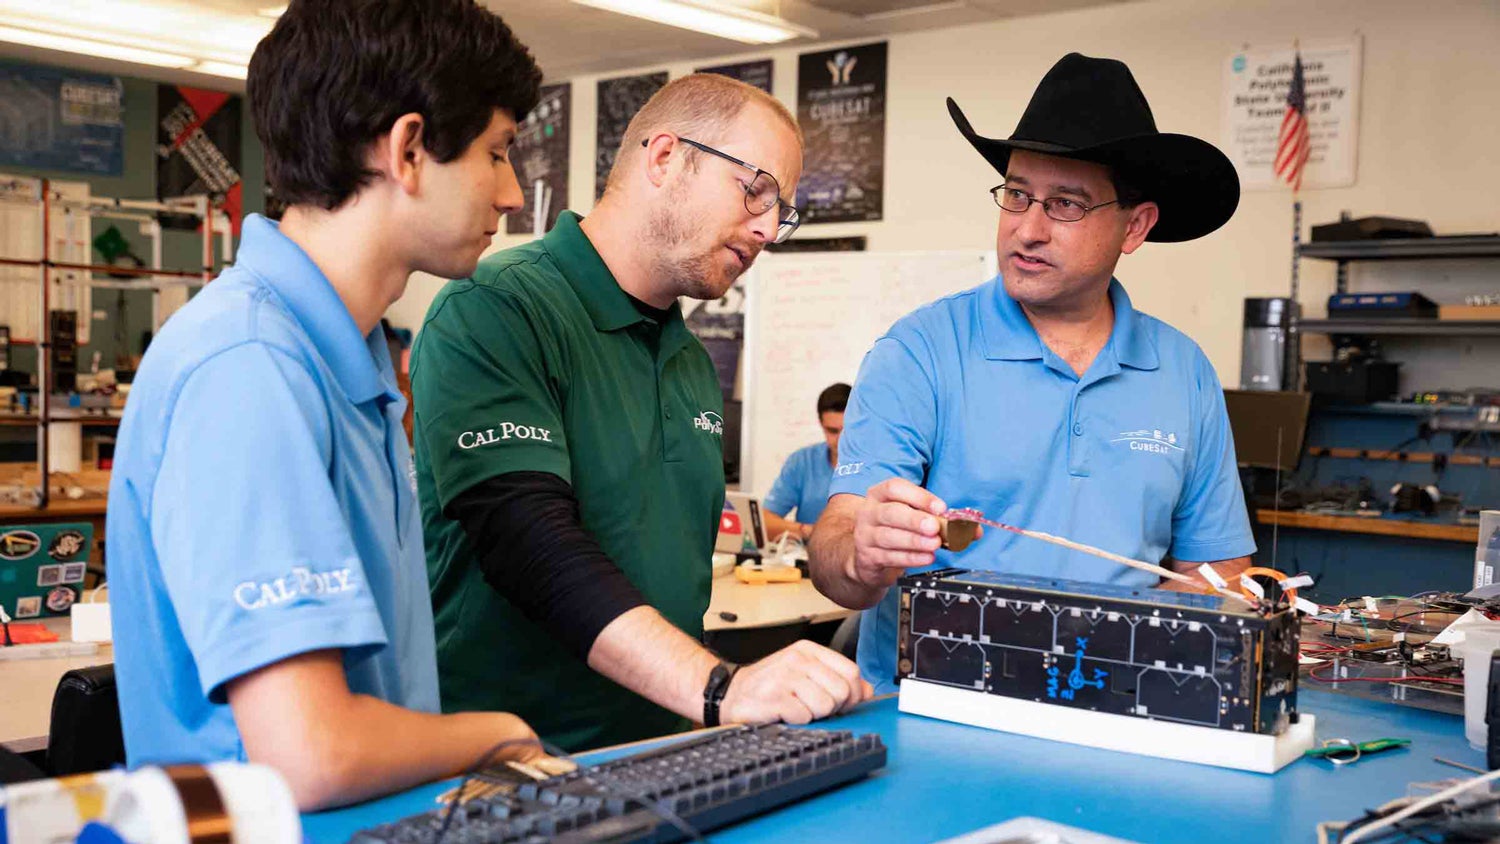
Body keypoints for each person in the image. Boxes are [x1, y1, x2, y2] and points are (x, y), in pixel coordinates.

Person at [106, 0, 551, 810]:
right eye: (498, 153)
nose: (514, 193)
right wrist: (504, 734)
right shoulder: (249, 367)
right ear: (409, 149)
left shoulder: (342, 363)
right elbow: (309, 753)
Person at [411, 73, 872, 752]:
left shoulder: (689, 361)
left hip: (663, 750)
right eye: (756, 191)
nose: (770, 229)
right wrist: (720, 688)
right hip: (506, 764)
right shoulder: (498, 307)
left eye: (783, 210)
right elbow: (529, 543)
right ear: (664, 158)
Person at [809, 53, 1255, 694]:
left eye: (1065, 204)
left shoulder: (1184, 372)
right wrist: (860, 552)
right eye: (1017, 195)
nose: (1028, 228)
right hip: (935, 718)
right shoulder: (919, 351)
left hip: (1118, 715)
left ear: (1136, 226)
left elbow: (1220, 575)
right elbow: (833, 556)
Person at [762, 383, 850, 542]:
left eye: (847, 430)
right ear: (821, 424)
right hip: (805, 559)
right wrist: (808, 531)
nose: (841, 440)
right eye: (832, 431)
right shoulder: (802, 462)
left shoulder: (877, 466)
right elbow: (764, 523)